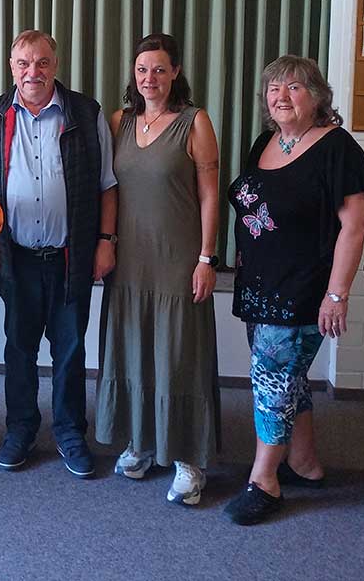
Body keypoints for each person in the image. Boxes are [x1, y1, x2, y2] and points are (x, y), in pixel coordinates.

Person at [224, 54, 364, 525]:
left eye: (293, 87)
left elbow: (356, 224)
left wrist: (337, 293)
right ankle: (304, 463)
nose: (281, 96)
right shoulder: (265, 142)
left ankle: (263, 479)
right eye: (273, 89)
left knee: (271, 381)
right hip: (261, 287)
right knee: (287, 377)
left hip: (304, 290)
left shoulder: (338, 148)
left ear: (317, 96)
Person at [0, 29, 118, 479]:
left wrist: (105, 241)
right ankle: (19, 428)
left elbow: (107, 185)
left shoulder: (85, 112)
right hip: (15, 257)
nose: (32, 72)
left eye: (41, 63)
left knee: (70, 350)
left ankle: (70, 431)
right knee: (18, 349)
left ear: (55, 65)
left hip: (70, 255)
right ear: (11, 68)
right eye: (23, 64)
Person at [94, 33, 221, 505]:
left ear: (176, 73)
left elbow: (211, 195)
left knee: (178, 355)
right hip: (129, 259)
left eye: (160, 69)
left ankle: (188, 460)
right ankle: (142, 442)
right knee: (133, 348)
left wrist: (207, 258)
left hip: (178, 259)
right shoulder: (119, 120)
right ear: (134, 73)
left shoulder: (195, 122)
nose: (150, 78)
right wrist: (105, 244)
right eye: (143, 69)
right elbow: (109, 190)